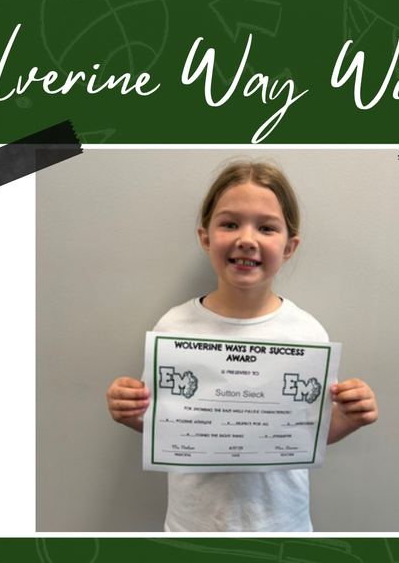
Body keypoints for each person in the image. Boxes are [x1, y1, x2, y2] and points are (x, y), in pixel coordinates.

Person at [105, 159, 378, 532]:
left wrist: (346, 421)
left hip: (284, 528)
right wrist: (130, 410)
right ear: (205, 237)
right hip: (193, 528)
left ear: (289, 246)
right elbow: (166, 423)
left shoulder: (307, 333)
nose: (246, 239)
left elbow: (301, 435)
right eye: (230, 224)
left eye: (266, 227)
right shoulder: (174, 327)